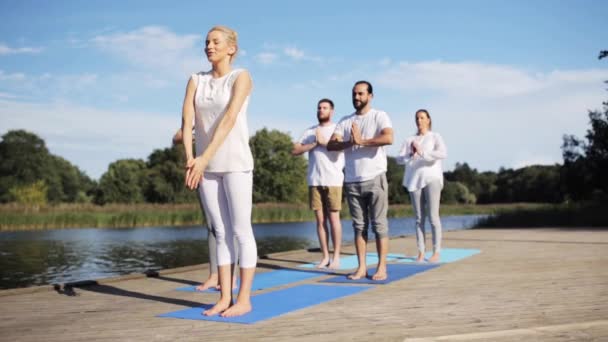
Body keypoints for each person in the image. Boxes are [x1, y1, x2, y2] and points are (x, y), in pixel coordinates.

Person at [181, 25, 256, 318]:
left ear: (231, 48)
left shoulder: (242, 77)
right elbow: (187, 121)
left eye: (215, 42)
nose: (209, 46)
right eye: (206, 42)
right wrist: (191, 158)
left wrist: (204, 157)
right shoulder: (195, 80)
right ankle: (224, 297)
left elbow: (229, 119)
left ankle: (244, 298)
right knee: (221, 232)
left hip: (235, 162)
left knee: (240, 230)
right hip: (205, 166)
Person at [327, 81, 393, 281]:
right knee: (359, 227)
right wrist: (350, 142)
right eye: (354, 94)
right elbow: (331, 144)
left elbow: (388, 138)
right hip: (352, 181)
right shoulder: (345, 121)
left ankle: (381, 267)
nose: (357, 97)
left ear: (370, 96)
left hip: (375, 178)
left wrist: (362, 141)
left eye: (361, 94)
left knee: (379, 225)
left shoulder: (379, 116)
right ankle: (362, 267)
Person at [172, 128, 237, 292]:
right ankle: (214, 275)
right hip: (204, 171)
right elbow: (176, 137)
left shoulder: (226, 107)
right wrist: (195, 136)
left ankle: (232, 276)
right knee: (212, 226)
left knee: (231, 226)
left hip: (229, 167)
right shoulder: (198, 112)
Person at [291, 98, 344, 269]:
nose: (321, 110)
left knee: (334, 219)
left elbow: (340, 149)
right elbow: (295, 150)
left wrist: (323, 143)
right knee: (320, 221)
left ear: (332, 111)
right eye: (319, 108)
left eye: (325, 108)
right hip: (314, 180)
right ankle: (325, 256)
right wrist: (313, 143)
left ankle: (336, 256)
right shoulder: (310, 131)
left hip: (333, 181)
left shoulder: (338, 129)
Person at [396, 109, 447, 263]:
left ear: (428, 120)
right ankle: (420, 252)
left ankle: (436, 252)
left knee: (433, 216)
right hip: (414, 180)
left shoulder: (435, 136)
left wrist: (422, 152)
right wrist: (411, 154)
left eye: (422, 117)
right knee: (419, 218)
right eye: (417, 118)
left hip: (432, 178)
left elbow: (442, 153)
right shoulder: (409, 139)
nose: (419, 120)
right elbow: (399, 159)